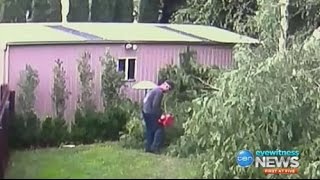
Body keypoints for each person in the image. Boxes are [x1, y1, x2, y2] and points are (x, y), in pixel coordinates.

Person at [142, 80, 174, 154]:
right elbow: (155, 105)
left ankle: (148, 148)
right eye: (168, 89)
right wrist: (161, 115)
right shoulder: (159, 92)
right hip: (151, 113)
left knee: (150, 130)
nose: (167, 92)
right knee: (160, 129)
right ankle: (155, 148)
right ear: (166, 86)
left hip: (146, 111)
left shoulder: (154, 90)